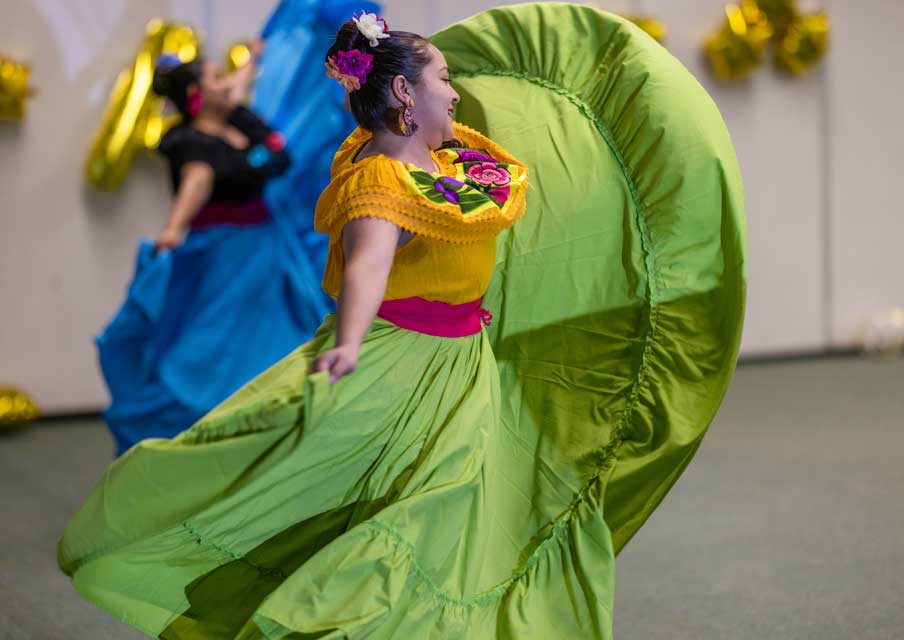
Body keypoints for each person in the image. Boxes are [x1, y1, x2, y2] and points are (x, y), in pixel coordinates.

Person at [61, 7, 746, 637]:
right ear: (403, 93)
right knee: (420, 504)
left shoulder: (445, 159)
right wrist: (350, 342)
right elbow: (367, 264)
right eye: (443, 78)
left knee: (452, 505)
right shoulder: (378, 179)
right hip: (407, 360)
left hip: (462, 361)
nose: (455, 92)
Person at [98, 45, 324, 455]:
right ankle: (204, 423)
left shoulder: (239, 122)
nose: (228, 83)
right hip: (225, 256)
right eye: (216, 78)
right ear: (197, 96)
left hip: (265, 251)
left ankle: (268, 419)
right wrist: (174, 227)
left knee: (274, 333)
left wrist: (253, 60)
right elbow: (197, 180)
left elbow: (241, 100)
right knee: (212, 340)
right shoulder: (193, 142)